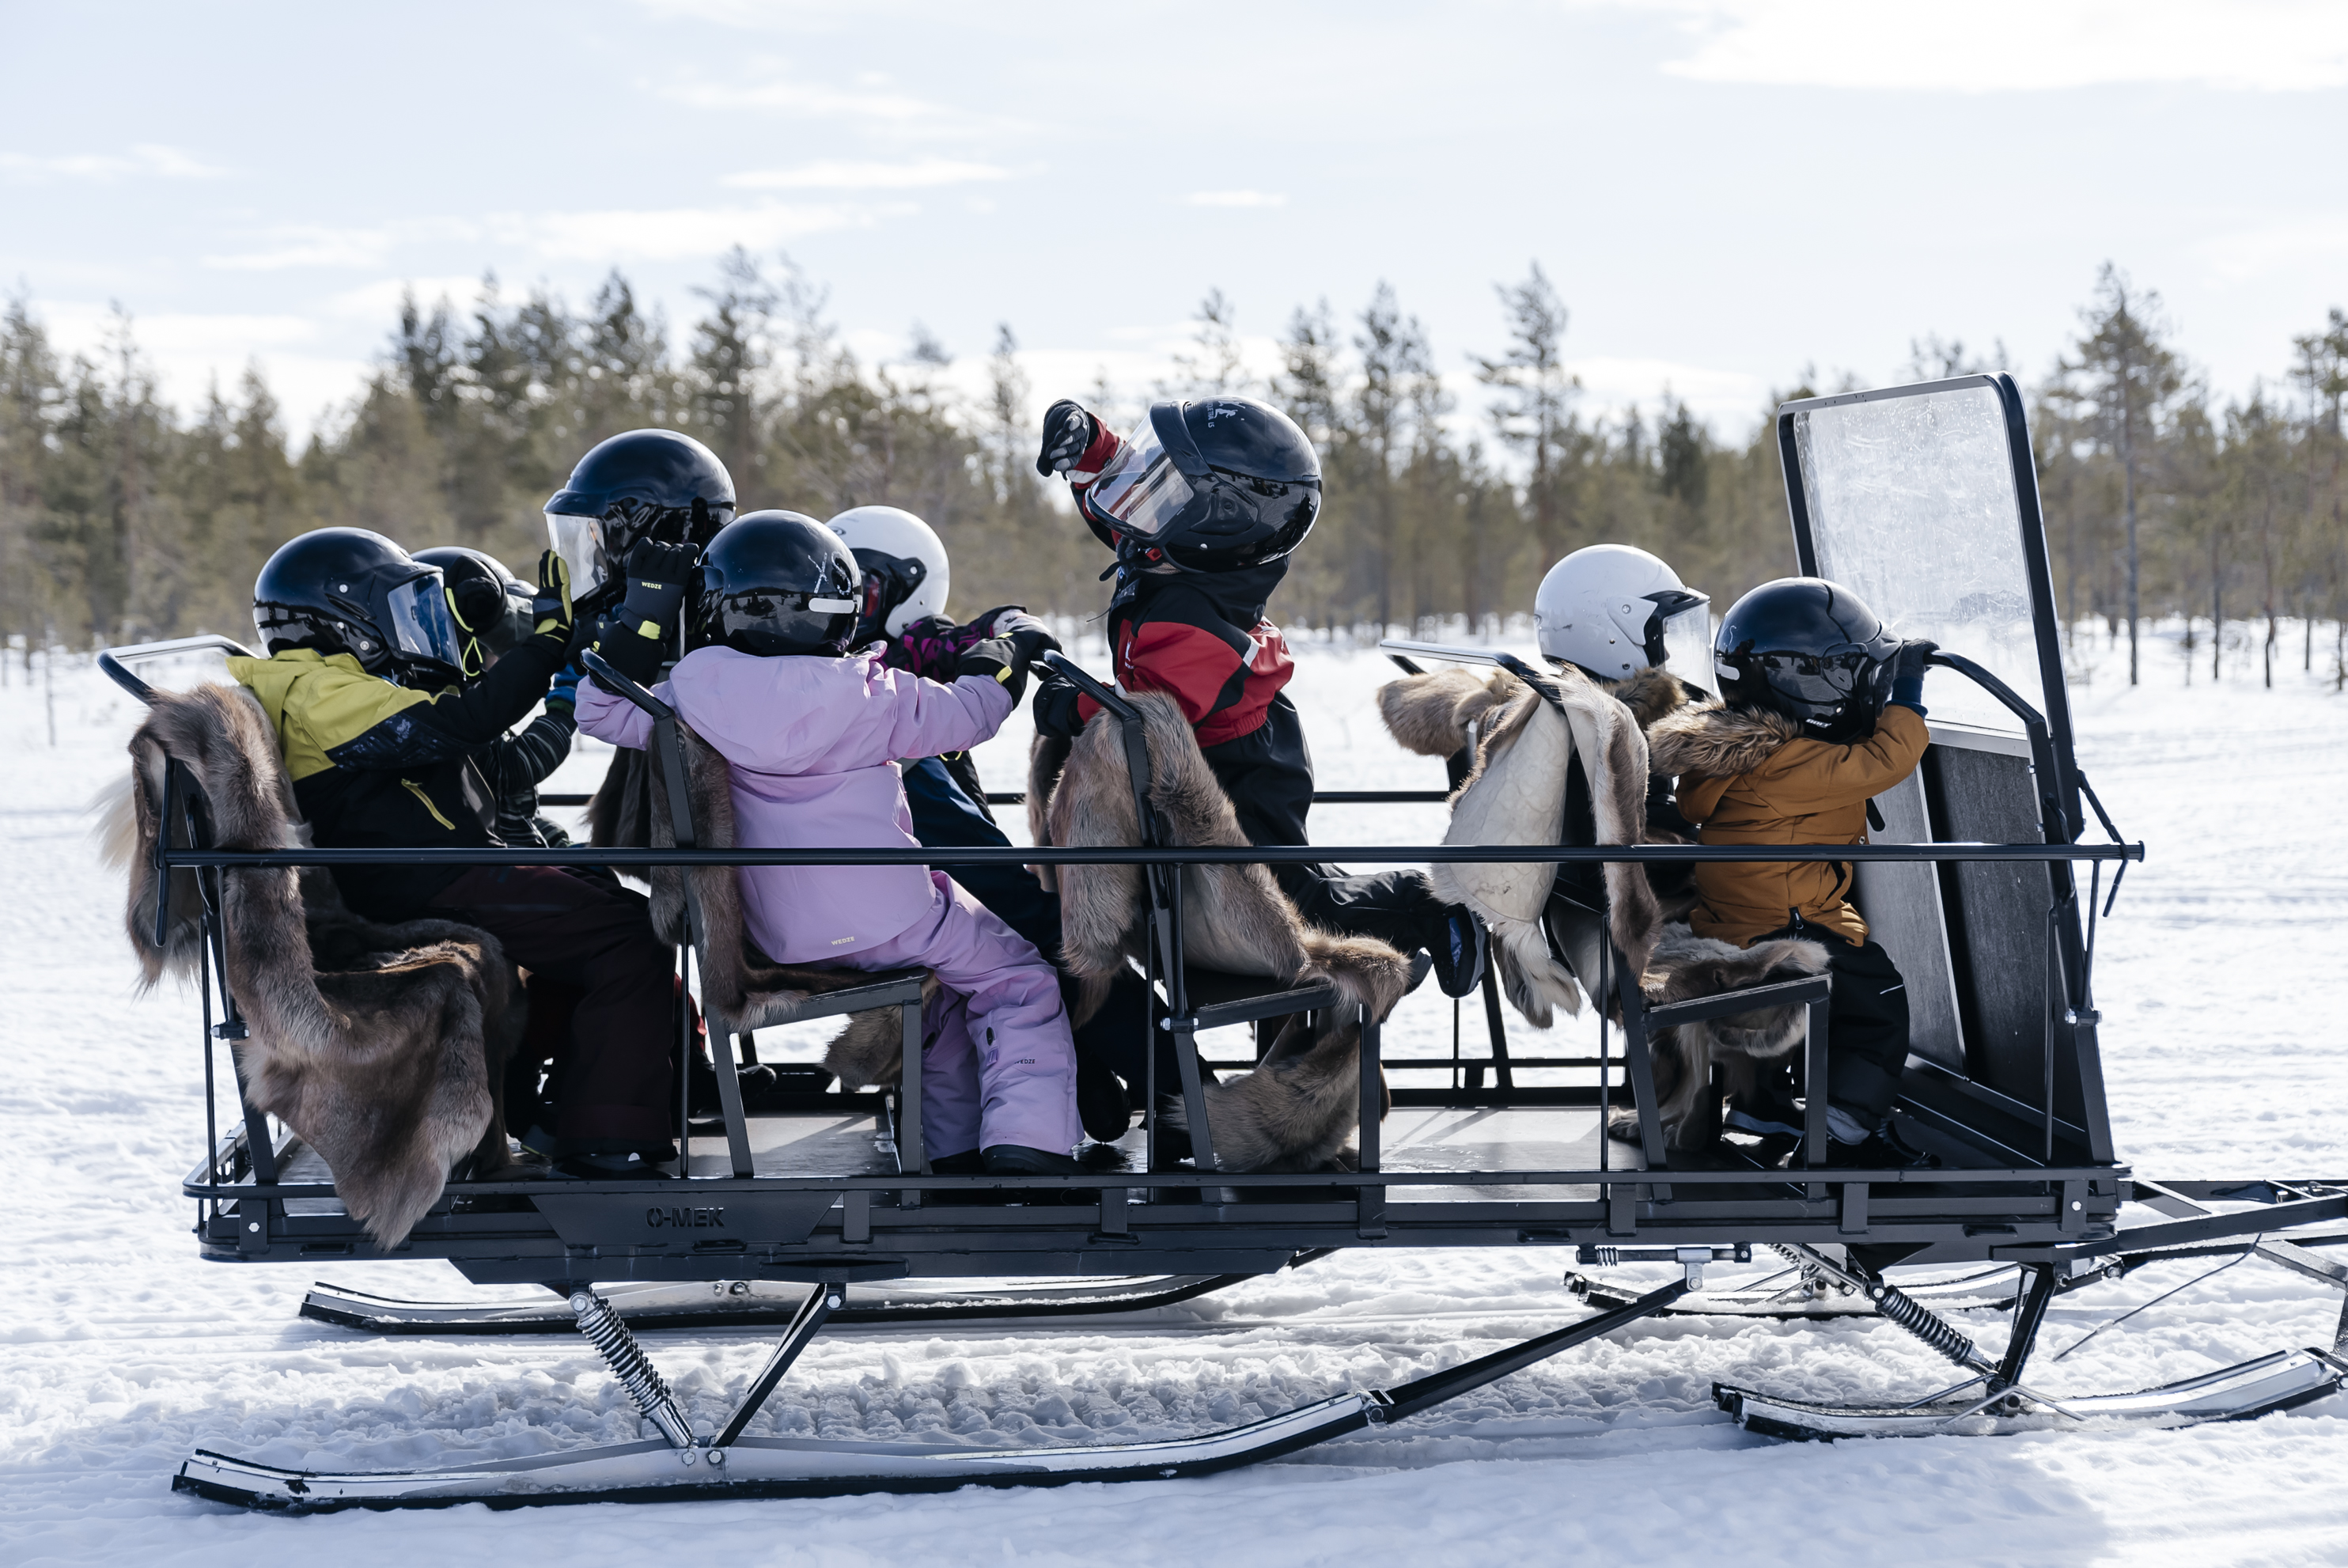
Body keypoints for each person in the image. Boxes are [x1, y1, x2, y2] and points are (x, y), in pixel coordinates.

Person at [574, 511, 1082, 1173]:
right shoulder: (875, 696)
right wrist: (1002, 656)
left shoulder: (688, 698)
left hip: (770, 934)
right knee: (1015, 980)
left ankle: (952, 1149)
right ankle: (1028, 1139)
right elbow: (974, 714)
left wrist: (644, 613)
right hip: (897, 920)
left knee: (943, 997)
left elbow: (598, 708)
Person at [230, 528, 682, 1179]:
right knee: (628, 939)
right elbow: (465, 721)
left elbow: (484, 751)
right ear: (343, 622)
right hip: (423, 880)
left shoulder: (337, 686)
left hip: (439, 868)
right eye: (395, 609)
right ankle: (609, 1136)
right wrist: (546, 644)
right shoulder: (314, 691)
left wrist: (560, 649)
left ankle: (561, 1107)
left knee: (609, 909)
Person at [1026, 394, 1486, 998]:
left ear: (1215, 519)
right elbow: (1126, 509)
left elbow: (1150, 712)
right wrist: (1094, 449)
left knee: (1300, 902)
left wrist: (1071, 705)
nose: (1144, 501)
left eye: (1171, 489)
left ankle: (1426, 902)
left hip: (1248, 778)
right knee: (1281, 885)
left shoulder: (1195, 628)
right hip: (1204, 766)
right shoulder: (1175, 558)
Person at [824, 505, 1136, 1142]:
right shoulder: (843, 678)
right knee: (1044, 934)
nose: (845, 608)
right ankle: (1166, 1086)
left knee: (1040, 928)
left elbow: (963, 638)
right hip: (907, 882)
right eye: (834, 588)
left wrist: (1011, 629)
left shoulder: (903, 657)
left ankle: (1135, 1081)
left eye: (862, 591)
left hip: (904, 872)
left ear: (906, 592)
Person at [1645, 576, 1939, 1168]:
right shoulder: (1784, 765)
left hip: (1736, 918)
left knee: (1835, 987)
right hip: (1785, 924)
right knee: (1876, 996)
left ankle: (1763, 1104)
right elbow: (1883, 762)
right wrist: (1906, 692)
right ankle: (1845, 1128)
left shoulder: (1740, 752)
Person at [414, 544, 579, 849]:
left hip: (513, 855)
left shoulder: (471, 706)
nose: (512, 661)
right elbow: (513, 767)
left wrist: (552, 838)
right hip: (494, 863)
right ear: (466, 650)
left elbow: (515, 811)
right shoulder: (442, 710)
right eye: (500, 647)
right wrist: (565, 703)